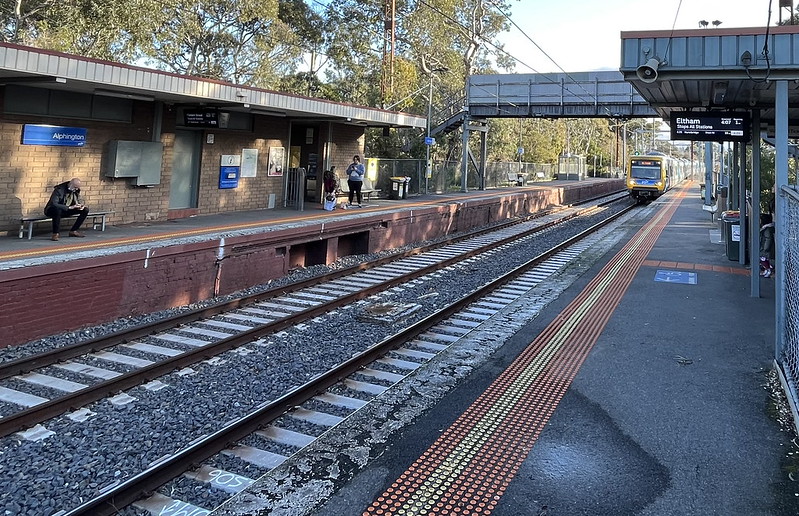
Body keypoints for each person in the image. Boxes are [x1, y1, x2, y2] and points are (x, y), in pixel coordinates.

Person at [759, 212, 775, 278]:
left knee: (763, 259)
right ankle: (767, 270)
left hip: (766, 248)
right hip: (765, 247)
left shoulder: (766, 229)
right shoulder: (767, 228)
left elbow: (768, 239)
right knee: (764, 259)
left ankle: (768, 270)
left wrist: (766, 248)